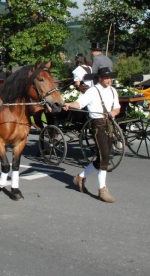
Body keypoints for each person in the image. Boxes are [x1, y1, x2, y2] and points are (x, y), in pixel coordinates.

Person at [63, 67, 120, 203]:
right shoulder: (92, 91)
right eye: (107, 78)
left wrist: (112, 113)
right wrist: (69, 104)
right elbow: (80, 103)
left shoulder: (113, 91)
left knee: (104, 157)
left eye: (110, 77)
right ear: (100, 78)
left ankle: (80, 177)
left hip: (109, 124)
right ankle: (102, 190)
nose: (109, 80)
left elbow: (117, 108)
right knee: (104, 155)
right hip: (97, 125)